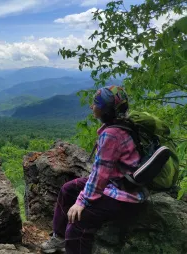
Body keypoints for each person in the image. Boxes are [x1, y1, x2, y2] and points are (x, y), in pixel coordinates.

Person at [40, 85, 148, 254]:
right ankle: (59, 238)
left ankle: (71, 241)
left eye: (96, 104)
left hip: (123, 194)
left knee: (77, 222)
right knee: (68, 189)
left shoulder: (111, 134)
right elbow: (102, 174)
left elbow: (100, 175)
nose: (92, 107)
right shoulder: (122, 124)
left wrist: (81, 202)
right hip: (117, 182)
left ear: (105, 110)